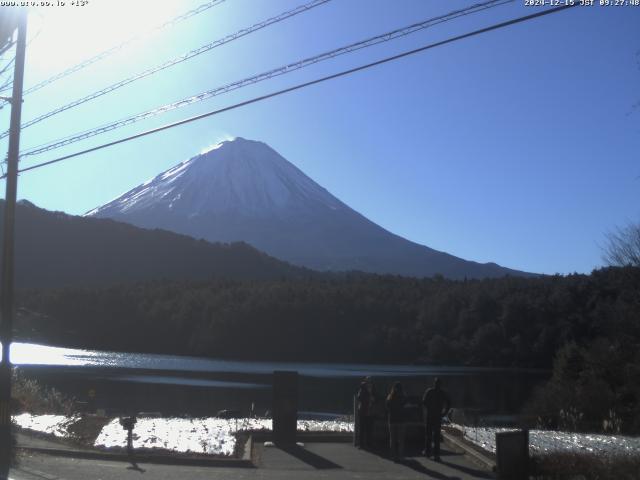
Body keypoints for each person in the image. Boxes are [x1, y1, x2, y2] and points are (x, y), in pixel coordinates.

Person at [422, 377, 450, 461]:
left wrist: (429, 408)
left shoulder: (429, 391)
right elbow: (449, 403)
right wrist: (444, 412)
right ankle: (436, 454)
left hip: (430, 416)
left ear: (434, 383)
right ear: (440, 384)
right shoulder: (442, 393)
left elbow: (424, 401)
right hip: (438, 416)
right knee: (436, 435)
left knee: (429, 435)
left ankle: (428, 452)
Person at [385, 382, 406, 461]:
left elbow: (387, 407)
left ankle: (393, 455)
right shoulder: (403, 397)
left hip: (392, 420)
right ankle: (400, 456)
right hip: (401, 420)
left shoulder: (390, 397)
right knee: (400, 439)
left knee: (392, 439)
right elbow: (406, 405)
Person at [356, 380, 371, 448]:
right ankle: (367, 443)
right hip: (367, 412)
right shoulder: (368, 393)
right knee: (367, 429)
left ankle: (361, 444)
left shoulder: (360, 392)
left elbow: (358, 399)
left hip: (361, 411)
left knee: (361, 429)